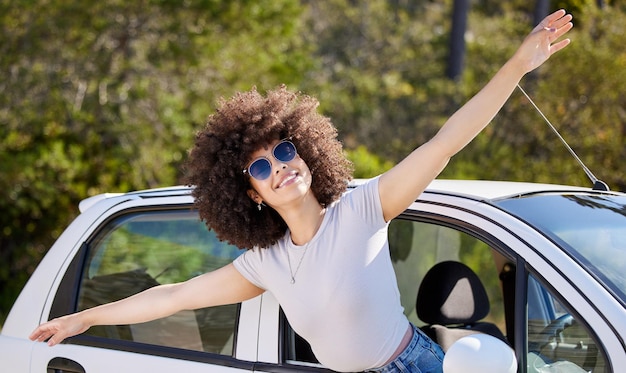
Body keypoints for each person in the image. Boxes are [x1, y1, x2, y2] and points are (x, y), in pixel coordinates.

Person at [30, 9, 573, 373]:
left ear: (308, 156)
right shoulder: (265, 263)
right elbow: (173, 297)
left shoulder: (362, 209)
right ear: (252, 195)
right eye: (261, 167)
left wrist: (518, 65)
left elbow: (445, 142)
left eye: (285, 151)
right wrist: (84, 318)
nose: (280, 167)